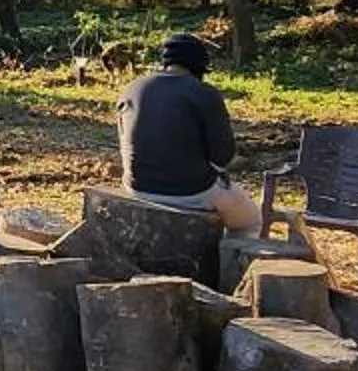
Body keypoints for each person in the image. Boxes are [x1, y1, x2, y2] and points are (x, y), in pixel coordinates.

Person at [116, 32, 271, 238]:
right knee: (251, 221)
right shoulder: (204, 93)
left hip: (136, 187)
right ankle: (228, 266)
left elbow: (124, 140)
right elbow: (223, 157)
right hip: (191, 191)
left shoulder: (131, 88)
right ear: (198, 67)